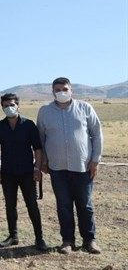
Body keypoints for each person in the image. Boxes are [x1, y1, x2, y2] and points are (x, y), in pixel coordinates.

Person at [37, 77, 103, 254]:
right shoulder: (45, 112)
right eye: (57, 90)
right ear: (52, 92)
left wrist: (95, 160)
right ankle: (67, 241)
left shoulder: (85, 108)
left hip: (82, 166)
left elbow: (96, 134)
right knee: (64, 205)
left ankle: (90, 240)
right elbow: (40, 139)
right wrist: (42, 162)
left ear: (71, 90)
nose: (61, 92)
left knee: (85, 205)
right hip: (57, 168)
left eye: (65, 89)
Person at [0, 93, 48, 251]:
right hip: (7, 173)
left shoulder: (29, 125)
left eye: (12, 104)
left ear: (18, 105)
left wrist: (37, 168)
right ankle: (13, 236)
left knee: (32, 204)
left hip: (27, 172)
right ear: (2, 107)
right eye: (6, 105)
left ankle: (39, 238)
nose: (9, 108)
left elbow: (37, 148)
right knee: (10, 205)